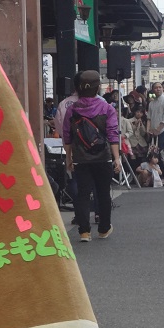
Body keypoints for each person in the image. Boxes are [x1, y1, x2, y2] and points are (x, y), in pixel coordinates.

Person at [62, 69, 122, 242]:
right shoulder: (107, 108)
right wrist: (116, 158)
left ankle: (84, 231)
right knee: (103, 193)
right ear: (97, 88)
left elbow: (67, 136)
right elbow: (112, 134)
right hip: (102, 157)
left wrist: (69, 158)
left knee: (82, 194)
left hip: (81, 159)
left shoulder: (72, 110)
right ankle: (103, 228)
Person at [52, 74, 80, 139]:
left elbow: (58, 125)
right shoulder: (101, 102)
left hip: (71, 143)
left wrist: (67, 140)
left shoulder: (63, 103)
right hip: (96, 144)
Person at [147, 81, 164, 151]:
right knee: (152, 156)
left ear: (162, 89)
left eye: (160, 87)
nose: (158, 89)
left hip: (163, 132)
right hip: (152, 133)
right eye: (156, 88)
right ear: (153, 90)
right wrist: (148, 131)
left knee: (161, 154)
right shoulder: (151, 103)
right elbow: (149, 118)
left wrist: (157, 130)